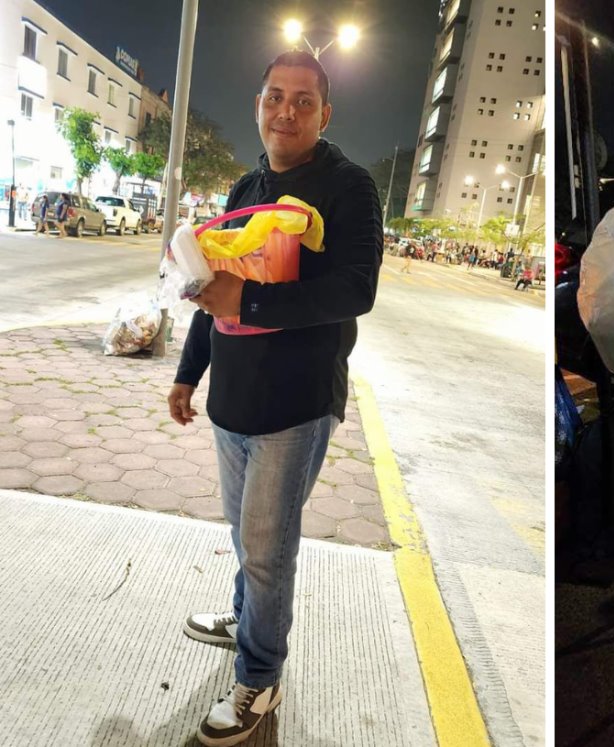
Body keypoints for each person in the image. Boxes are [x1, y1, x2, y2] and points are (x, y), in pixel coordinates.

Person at [167, 51, 382, 747]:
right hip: (232, 396)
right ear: (259, 104)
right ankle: (247, 618)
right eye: (274, 97)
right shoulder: (244, 186)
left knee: (266, 548)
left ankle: (260, 673)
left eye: (302, 100)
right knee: (245, 537)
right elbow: (212, 288)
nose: (286, 111)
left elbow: (357, 289)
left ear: (324, 113)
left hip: (296, 402)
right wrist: (186, 371)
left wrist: (251, 296)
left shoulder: (350, 187)